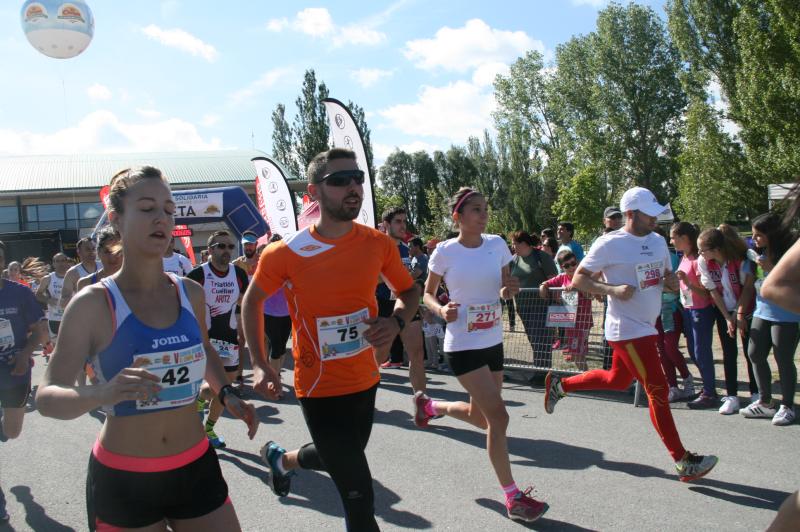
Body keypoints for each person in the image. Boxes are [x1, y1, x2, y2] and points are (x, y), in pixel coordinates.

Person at [36, 166, 257, 531]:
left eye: (169, 210)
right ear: (116, 218)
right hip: (125, 478)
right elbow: (46, 398)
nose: (161, 218)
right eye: (147, 208)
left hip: (195, 465)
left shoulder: (190, 292)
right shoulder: (92, 303)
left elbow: (204, 349)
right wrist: (103, 392)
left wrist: (228, 392)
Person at [241, 148, 420, 532]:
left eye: (357, 178)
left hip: (366, 378)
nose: (353, 187)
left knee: (341, 455)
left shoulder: (378, 244)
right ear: (314, 192)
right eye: (339, 181)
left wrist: (397, 322)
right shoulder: (284, 253)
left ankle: (282, 459)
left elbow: (409, 292)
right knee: (359, 496)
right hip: (318, 385)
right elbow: (251, 301)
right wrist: (258, 363)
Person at [544, 186, 718, 482]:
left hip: (647, 325)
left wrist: (671, 282)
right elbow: (579, 279)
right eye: (650, 213)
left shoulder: (658, 241)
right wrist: (611, 290)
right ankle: (682, 460)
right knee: (659, 390)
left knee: (617, 379)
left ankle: (561, 385)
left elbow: (662, 278)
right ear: (631, 214)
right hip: (626, 330)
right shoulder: (609, 243)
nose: (655, 218)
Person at [413, 188, 547, 523]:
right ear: (457, 216)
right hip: (462, 345)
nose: (483, 214)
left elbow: (503, 286)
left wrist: (508, 290)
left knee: (483, 418)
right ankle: (513, 497)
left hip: (492, 342)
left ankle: (430, 406)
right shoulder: (445, 252)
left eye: (485, 208)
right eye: (475, 209)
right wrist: (442, 309)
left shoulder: (496, 245)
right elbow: (426, 295)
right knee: (499, 418)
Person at [187, 230, 250, 448]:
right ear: (211, 249)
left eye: (230, 247)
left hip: (229, 339)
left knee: (224, 387)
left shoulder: (238, 274)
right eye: (221, 246)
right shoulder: (198, 274)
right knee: (218, 386)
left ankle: (208, 426)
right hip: (206, 341)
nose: (227, 251)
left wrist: (244, 331)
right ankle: (202, 419)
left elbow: (244, 303)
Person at [0, 240, 48, 523]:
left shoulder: (19, 294)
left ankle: (27, 502)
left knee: (13, 431)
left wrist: (26, 353)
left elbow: (40, 330)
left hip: (14, 371)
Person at [739, 213, 799, 425]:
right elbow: (749, 284)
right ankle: (765, 402)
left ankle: (788, 406)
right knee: (754, 353)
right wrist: (740, 313)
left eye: (758, 235)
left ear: (772, 234)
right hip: (761, 311)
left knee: (783, 358)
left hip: (787, 314)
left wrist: (772, 268)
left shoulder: (791, 254)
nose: (754, 239)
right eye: (753, 235)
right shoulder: (756, 254)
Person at [696, 227, 759, 414]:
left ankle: (756, 392)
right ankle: (732, 396)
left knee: (751, 352)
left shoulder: (740, 260)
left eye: (702, 249)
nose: (699, 253)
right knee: (728, 352)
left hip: (746, 309)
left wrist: (739, 315)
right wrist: (727, 317)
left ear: (716, 249)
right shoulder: (705, 262)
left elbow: (747, 288)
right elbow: (713, 291)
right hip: (724, 310)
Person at [376, 207, 428, 394]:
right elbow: (371, 277)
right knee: (380, 353)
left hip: (405, 302)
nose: (403, 225)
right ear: (386, 224)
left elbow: (411, 278)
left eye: (404, 221)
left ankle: (422, 402)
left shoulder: (406, 249)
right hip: (382, 302)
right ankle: (365, 387)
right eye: (398, 221)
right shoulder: (377, 246)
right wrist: (392, 274)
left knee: (417, 352)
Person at [671, 222, 715, 408]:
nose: (671, 241)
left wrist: (688, 282)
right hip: (687, 309)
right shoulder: (684, 257)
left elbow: (707, 292)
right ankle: (707, 389)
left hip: (701, 310)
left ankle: (710, 393)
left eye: (674, 237)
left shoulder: (699, 260)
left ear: (684, 238)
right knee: (693, 351)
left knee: (701, 352)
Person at [652, 229, 693, 402]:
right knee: (661, 350)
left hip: (671, 308)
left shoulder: (672, 258)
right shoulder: (647, 260)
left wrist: (658, 285)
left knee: (670, 347)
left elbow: (675, 287)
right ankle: (673, 386)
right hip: (654, 309)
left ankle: (687, 378)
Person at [509, 230, 558, 374]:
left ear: (524, 244)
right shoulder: (514, 260)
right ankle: (542, 370)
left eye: (514, 244)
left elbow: (554, 279)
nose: (513, 247)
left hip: (541, 306)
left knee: (540, 340)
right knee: (533, 339)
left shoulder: (541, 256)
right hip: (523, 307)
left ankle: (542, 373)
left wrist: (546, 286)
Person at [539, 250, 593, 371]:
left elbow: (590, 295)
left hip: (582, 322)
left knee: (578, 354)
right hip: (569, 322)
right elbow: (547, 283)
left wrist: (577, 286)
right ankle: (586, 378)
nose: (571, 267)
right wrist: (543, 286)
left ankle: (586, 379)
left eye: (573, 263)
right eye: (567, 265)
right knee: (577, 354)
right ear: (562, 267)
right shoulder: (562, 277)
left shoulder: (583, 277)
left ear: (577, 263)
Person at [260, 235, 293, 395]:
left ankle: (276, 374)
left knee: (281, 349)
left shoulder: (290, 264)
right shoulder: (265, 264)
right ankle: (274, 384)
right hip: (268, 312)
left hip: (287, 312)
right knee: (276, 346)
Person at [232, 230, 261, 389]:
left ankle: (265, 374)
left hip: (260, 307)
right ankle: (238, 376)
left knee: (262, 341)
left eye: (251, 244)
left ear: (256, 245)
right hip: (240, 308)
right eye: (246, 244)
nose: (248, 247)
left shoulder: (263, 261)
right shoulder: (236, 264)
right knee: (240, 341)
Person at [35, 253, 70, 362]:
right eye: (58, 261)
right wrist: (48, 300)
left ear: (67, 262)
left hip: (72, 316)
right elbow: (38, 294)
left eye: (63, 260)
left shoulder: (73, 276)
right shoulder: (48, 278)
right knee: (58, 349)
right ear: (53, 264)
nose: (61, 264)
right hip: (55, 318)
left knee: (73, 346)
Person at [59, 237, 101, 310]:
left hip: (106, 314)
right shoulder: (72, 273)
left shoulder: (104, 266)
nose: (91, 252)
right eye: (87, 249)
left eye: (93, 249)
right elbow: (63, 302)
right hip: (85, 314)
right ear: (79, 252)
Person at [77, 227, 124, 291]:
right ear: (98, 253)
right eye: (107, 252)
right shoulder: (85, 284)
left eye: (118, 251)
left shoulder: (136, 281)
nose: (113, 257)